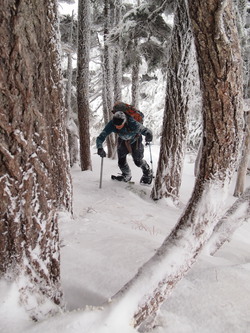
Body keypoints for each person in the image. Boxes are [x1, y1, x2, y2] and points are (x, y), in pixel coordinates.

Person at [96, 110, 153, 184]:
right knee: (121, 161)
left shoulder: (132, 123)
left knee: (138, 161)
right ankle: (126, 175)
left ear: (125, 121)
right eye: (116, 125)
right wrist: (99, 148)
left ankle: (147, 173)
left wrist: (148, 134)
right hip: (122, 140)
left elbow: (144, 130)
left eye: (119, 125)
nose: (117, 127)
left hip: (135, 140)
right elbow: (101, 136)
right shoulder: (112, 124)